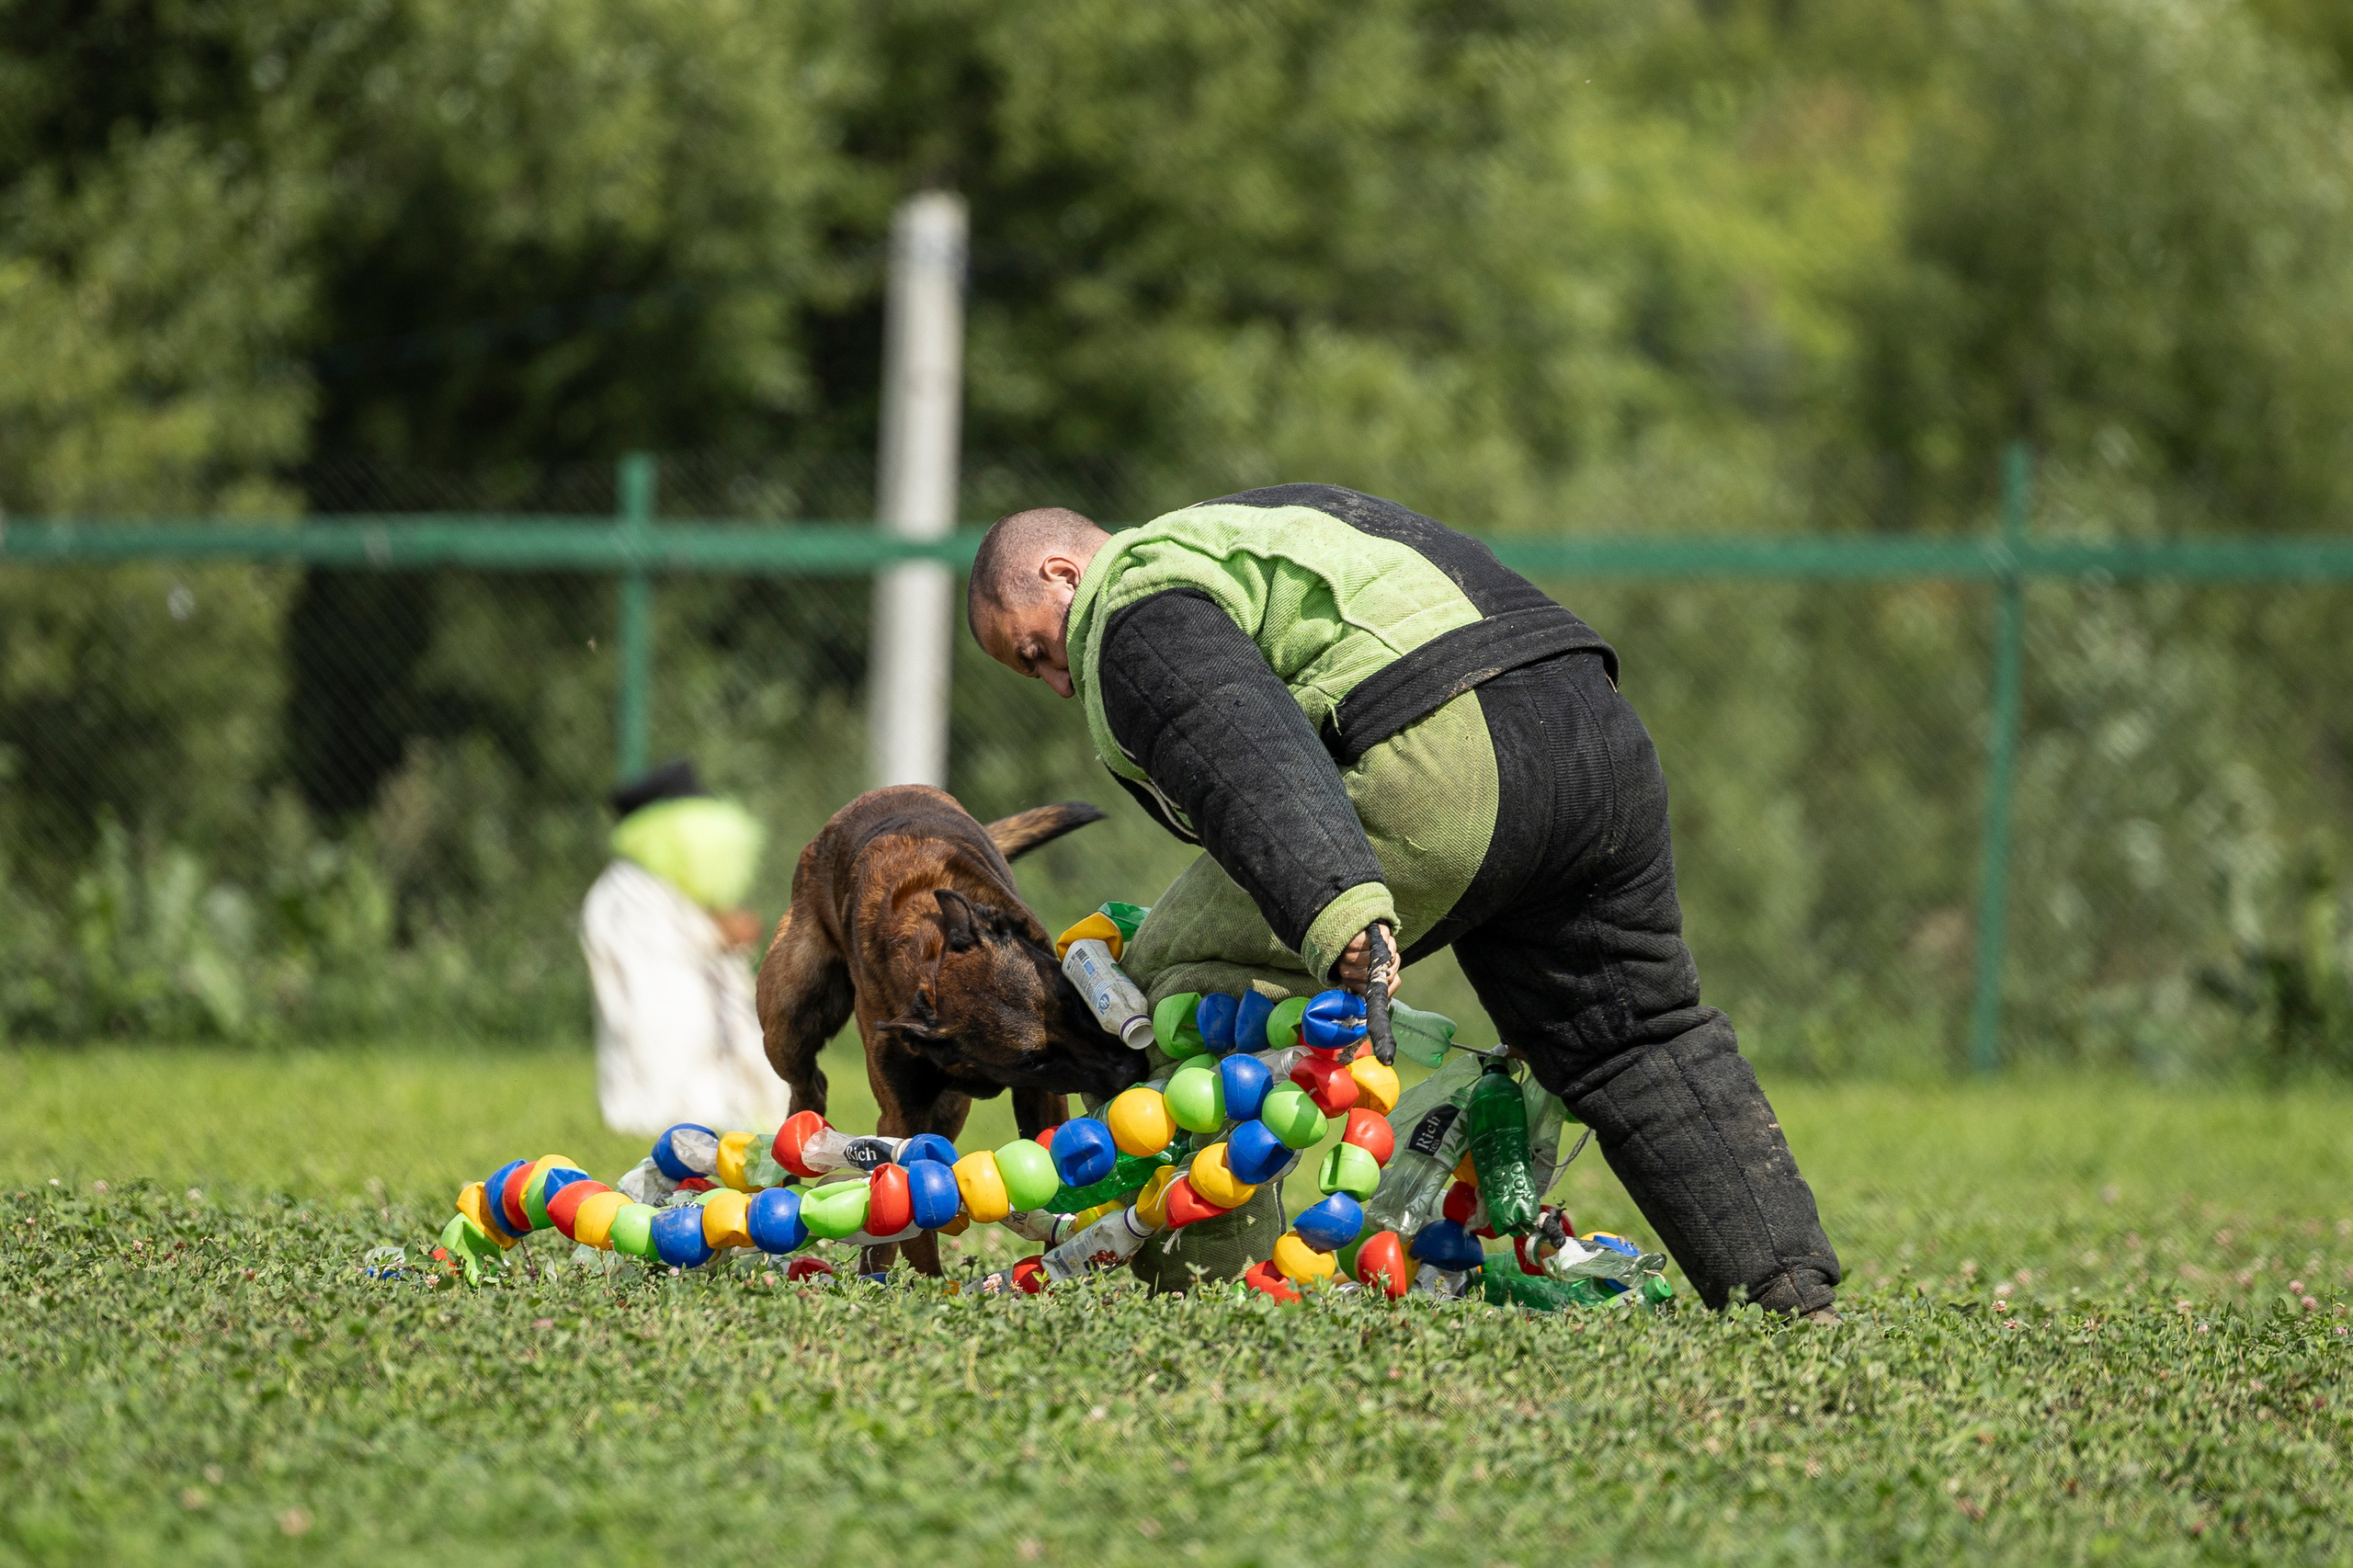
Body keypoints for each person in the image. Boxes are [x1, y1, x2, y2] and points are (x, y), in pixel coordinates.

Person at [966, 484, 1840, 1317]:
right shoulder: (1253, 524)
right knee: (1631, 1034)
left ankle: (1207, 1300)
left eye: (1035, 650)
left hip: (1451, 750)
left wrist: (1336, 904)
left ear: (1062, 574)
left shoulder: (1132, 604)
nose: (1053, 681)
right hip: (1595, 736)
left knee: (1165, 991)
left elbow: (1235, 741)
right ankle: (1786, 1287)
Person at [580, 760, 792, 1138]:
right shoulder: (627, 893)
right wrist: (714, 934)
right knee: (671, 1033)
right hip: (663, 1026)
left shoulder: (655, 884)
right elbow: (658, 962)